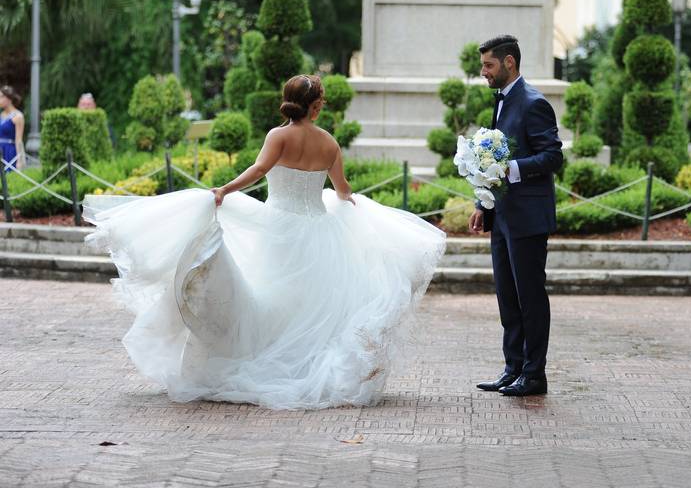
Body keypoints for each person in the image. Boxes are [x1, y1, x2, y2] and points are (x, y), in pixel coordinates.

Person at [84, 74, 446, 410]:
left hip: (278, 226)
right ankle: (303, 363)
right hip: (319, 228)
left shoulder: (278, 136)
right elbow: (342, 190)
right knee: (311, 302)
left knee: (271, 292)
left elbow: (258, 171)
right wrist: (352, 202)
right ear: (316, 105)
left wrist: (225, 189)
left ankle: (266, 358)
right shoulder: (329, 142)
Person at [469, 35, 563, 397]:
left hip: (529, 218)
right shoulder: (501, 101)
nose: (483, 73)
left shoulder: (533, 103)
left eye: (488, 65)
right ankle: (512, 368)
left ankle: (534, 374)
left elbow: (552, 156)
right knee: (507, 297)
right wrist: (483, 204)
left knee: (529, 297)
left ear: (509, 63)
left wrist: (512, 169)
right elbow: (494, 162)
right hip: (504, 216)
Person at [0, 85, 25, 172]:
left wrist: (20, 160)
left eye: (1, 97)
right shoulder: (1, 115)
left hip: (9, 152)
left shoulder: (18, 116)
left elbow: (18, 140)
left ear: (9, 99)